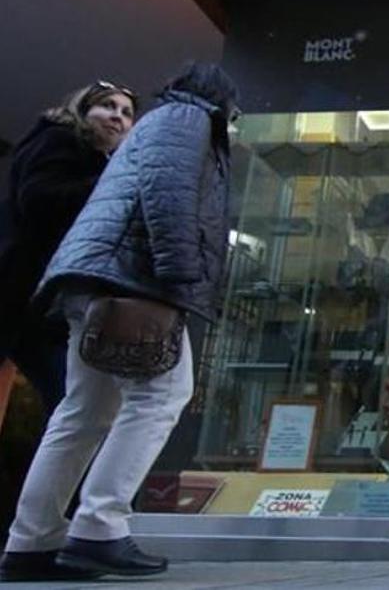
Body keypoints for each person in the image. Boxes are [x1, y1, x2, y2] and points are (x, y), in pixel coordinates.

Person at [0, 63, 238, 582]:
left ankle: (30, 541)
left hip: (95, 279)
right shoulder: (186, 120)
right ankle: (99, 528)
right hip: (134, 281)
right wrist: (179, 276)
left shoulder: (162, 121)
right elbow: (170, 196)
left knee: (83, 409)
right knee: (162, 394)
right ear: (221, 101)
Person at [0, 82, 138, 415]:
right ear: (83, 109)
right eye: (107, 106)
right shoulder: (58, 140)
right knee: (73, 405)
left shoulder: (94, 161)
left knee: (73, 404)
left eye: (126, 113)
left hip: (42, 303)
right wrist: (110, 188)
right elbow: (39, 200)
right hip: (27, 297)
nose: (117, 117)